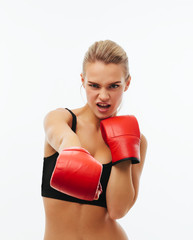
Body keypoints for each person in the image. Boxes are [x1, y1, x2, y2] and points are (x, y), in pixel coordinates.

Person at [41, 40, 148, 240]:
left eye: (113, 86)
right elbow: (62, 138)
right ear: (83, 80)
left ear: (127, 83)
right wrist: (75, 153)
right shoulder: (61, 120)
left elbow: (118, 210)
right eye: (94, 86)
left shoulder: (137, 140)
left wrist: (122, 147)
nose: (103, 96)